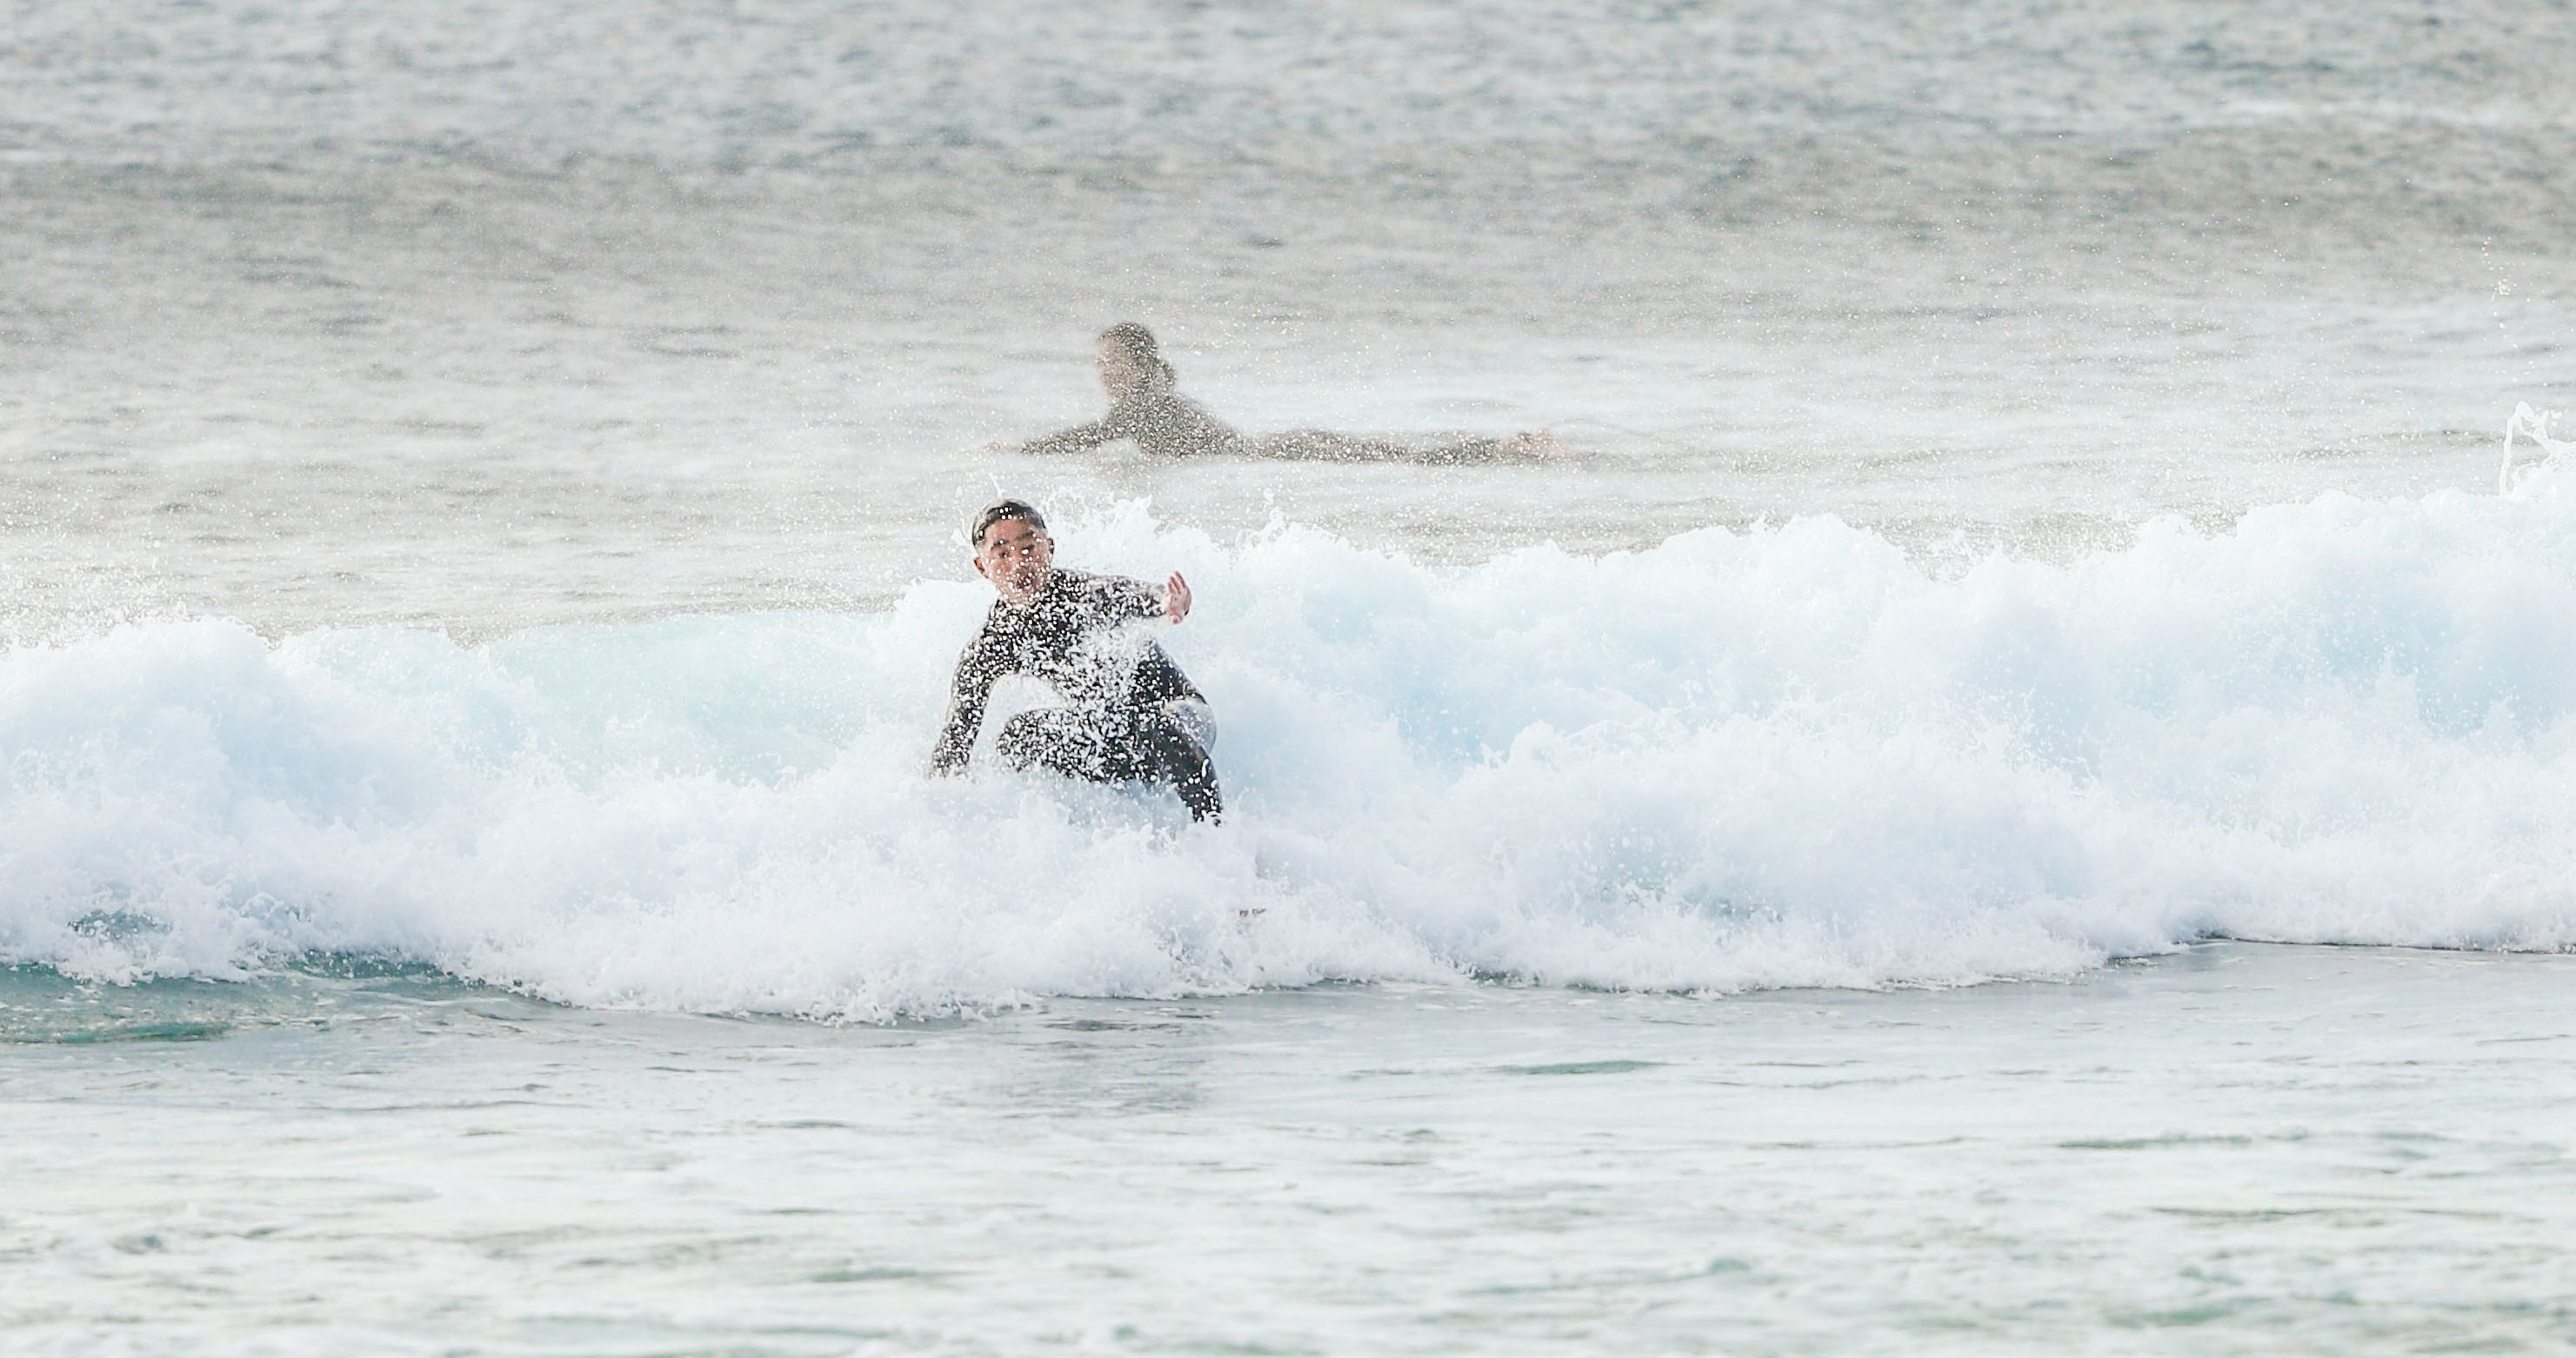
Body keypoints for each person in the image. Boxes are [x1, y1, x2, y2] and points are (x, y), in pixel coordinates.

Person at [927, 498, 1224, 822]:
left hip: (1179, 719)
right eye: (1002, 554)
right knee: (1017, 736)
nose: (1019, 563)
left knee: (1158, 727)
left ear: (1049, 548)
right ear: (982, 567)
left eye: (1029, 548)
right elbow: (955, 743)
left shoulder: (1081, 594)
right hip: (1108, 736)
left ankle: (1215, 834)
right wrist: (934, 810)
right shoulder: (992, 644)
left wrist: (1169, 602)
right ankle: (1077, 825)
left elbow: (1136, 595)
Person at [1013, 323, 1559, 464]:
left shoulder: (1141, 406)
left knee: (1407, 459)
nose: (1103, 373)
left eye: (1113, 362)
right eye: (1098, 364)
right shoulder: (1154, 402)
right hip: (1276, 445)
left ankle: (1511, 447)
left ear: (1141, 365)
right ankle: (1511, 445)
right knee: (1402, 456)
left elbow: (1087, 438)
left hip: (1272, 451)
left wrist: (1016, 451)